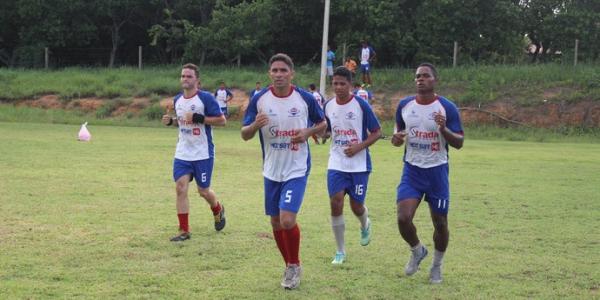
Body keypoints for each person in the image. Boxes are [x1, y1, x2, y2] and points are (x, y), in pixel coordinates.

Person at [241, 53, 327, 290]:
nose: (279, 75)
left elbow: (323, 124)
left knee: (288, 220)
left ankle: (295, 264)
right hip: (271, 169)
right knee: (276, 222)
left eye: (283, 70)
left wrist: (308, 133)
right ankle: (289, 265)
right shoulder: (259, 99)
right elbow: (244, 134)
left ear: (292, 73)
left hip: (296, 168)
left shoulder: (305, 98)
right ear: (270, 74)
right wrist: (255, 125)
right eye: (275, 71)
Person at [391, 63, 464, 284]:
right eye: (417, 76)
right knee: (403, 218)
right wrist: (396, 139)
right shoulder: (405, 105)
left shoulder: (447, 107)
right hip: (412, 171)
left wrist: (443, 129)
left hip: (437, 172)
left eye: (425, 76)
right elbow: (398, 132)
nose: (420, 79)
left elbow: (459, 142)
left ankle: (436, 266)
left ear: (435, 80)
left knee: (440, 223)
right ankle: (417, 250)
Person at [161, 63, 227, 242]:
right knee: (180, 188)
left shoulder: (205, 98)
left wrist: (200, 118)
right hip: (183, 152)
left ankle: (217, 209)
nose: (185, 79)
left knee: (203, 191)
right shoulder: (177, 100)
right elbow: (182, 122)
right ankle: (184, 231)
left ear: (197, 80)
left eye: (189, 76)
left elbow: (222, 121)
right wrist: (171, 122)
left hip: (203, 152)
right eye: (183, 76)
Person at [323, 66, 381, 264]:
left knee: (356, 206)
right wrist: (323, 135)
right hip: (336, 162)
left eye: (342, 84)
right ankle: (340, 251)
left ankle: (365, 224)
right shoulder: (328, 105)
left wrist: (359, 147)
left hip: (359, 164)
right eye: (335, 83)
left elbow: (376, 132)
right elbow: (329, 130)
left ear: (350, 85)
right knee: (335, 202)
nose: (338, 87)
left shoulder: (361, 105)